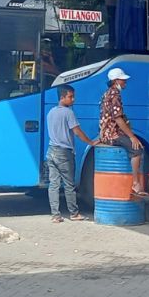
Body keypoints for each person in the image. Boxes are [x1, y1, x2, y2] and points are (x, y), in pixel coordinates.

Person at [46, 84, 96, 223]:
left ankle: (55, 215)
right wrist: (91, 142)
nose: (73, 99)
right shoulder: (68, 113)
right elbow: (77, 132)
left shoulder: (50, 112)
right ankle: (74, 213)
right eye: (70, 96)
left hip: (51, 151)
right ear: (62, 97)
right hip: (64, 153)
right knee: (69, 185)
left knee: (54, 184)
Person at [99, 68, 146, 195]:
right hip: (112, 134)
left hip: (106, 133)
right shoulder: (115, 94)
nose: (125, 82)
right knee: (137, 149)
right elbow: (118, 118)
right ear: (115, 81)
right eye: (123, 79)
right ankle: (136, 184)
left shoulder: (107, 93)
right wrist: (132, 137)